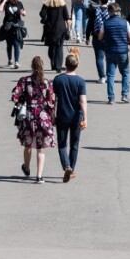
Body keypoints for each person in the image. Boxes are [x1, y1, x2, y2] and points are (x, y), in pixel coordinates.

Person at [11, 56, 56, 184]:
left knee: (28, 144)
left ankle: (26, 166)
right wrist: (51, 117)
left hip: (29, 116)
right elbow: (51, 102)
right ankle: (39, 176)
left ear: (32, 66)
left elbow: (15, 95)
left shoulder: (24, 81)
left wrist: (21, 101)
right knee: (40, 148)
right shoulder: (47, 83)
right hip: (42, 117)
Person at [52, 54, 87, 183]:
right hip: (76, 117)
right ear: (77, 65)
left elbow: (53, 100)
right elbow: (82, 101)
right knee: (75, 145)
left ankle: (66, 166)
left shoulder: (58, 79)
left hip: (62, 115)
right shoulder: (80, 81)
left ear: (65, 65)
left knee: (62, 144)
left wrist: (52, 115)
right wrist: (85, 118)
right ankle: (71, 168)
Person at [98, 3, 130, 104]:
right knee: (125, 73)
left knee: (110, 75)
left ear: (109, 12)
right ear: (119, 12)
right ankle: (124, 95)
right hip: (123, 51)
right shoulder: (125, 23)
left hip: (110, 51)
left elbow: (100, 37)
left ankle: (111, 97)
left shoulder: (105, 23)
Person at [40, 0, 71, 73]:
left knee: (51, 47)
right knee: (59, 47)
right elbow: (67, 17)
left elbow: (42, 14)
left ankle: (53, 63)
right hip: (61, 28)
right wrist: (68, 28)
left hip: (50, 28)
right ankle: (58, 66)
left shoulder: (46, 4)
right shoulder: (63, 4)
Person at [0, 0, 26, 68]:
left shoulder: (19, 3)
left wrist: (23, 13)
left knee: (16, 43)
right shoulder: (6, 4)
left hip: (16, 26)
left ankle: (17, 62)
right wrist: (4, 1)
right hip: (8, 26)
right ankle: (10, 60)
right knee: (9, 44)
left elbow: (24, 12)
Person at [88, 0, 110, 82]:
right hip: (108, 37)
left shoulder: (94, 11)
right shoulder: (110, 11)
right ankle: (109, 76)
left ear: (99, 1)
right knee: (109, 58)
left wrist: (87, 36)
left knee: (99, 58)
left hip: (97, 36)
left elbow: (90, 24)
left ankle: (102, 77)